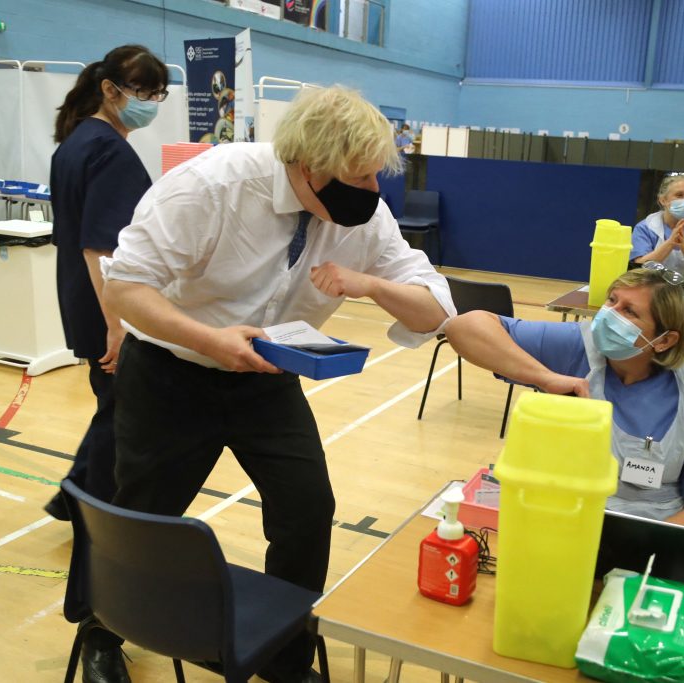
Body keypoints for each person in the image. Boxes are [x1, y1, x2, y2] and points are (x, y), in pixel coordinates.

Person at [101, 85, 455, 683]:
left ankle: (281, 653)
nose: (373, 192)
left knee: (307, 509)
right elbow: (126, 288)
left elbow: (431, 308)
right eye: (360, 177)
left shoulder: (364, 217)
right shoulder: (212, 186)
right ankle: (102, 632)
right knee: (143, 515)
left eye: (376, 177)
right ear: (308, 165)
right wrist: (211, 340)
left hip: (268, 379)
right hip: (171, 374)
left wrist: (372, 286)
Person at [444, 264, 684, 532]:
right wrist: (545, 377)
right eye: (612, 300)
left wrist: (646, 542)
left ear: (664, 340)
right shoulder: (579, 346)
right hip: (560, 518)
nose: (609, 315)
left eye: (630, 312)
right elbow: (464, 328)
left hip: (645, 534)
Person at [49, 44, 169, 683]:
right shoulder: (108, 152)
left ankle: (73, 500)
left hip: (85, 309)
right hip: (107, 316)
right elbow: (104, 251)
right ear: (110, 89)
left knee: (111, 423)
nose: (152, 103)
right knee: (120, 452)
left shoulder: (73, 145)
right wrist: (119, 327)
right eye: (144, 90)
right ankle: (99, 607)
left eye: (160, 93)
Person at [630, 172, 684, 284]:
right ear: (663, 200)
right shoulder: (646, 227)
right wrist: (670, 243)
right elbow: (640, 268)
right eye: (679, 195)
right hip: (650, 295)